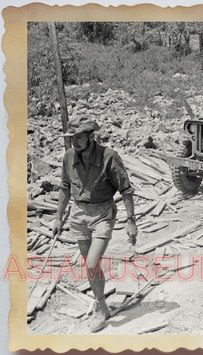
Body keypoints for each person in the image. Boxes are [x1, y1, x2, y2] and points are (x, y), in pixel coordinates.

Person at [52, 115, 138, 333]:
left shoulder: (108, 157)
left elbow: (126, 189)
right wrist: (58, 216)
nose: (75, 142)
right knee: (91, 266)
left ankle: (99, 309)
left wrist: (131, 221)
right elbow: (64, 186)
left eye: (79, 137)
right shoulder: (69, 156)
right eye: (72, 138)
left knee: (91, 264)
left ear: (90, 136)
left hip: (103, 213)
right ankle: (102, 304)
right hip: (78, 214)